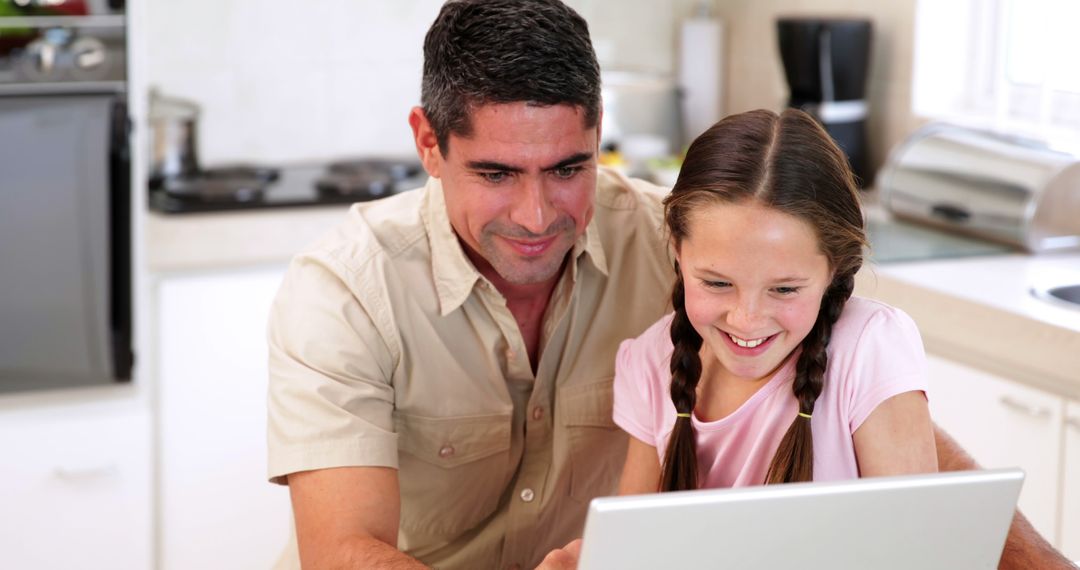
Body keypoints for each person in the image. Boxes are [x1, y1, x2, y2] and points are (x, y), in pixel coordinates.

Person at [267, 1, 1076, 569]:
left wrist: (1035, 560)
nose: (538, 213)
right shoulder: (347, 292)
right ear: (428, 143)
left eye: (569, 167)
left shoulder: (692, 250)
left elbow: (858, 382)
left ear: (598, 129)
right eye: (495, 173)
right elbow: (343, 553)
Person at [612, 108, 938, 498]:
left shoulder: (871, 348)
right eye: (717, 283)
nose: (747, 320)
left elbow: (916, 548)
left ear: (833, 270)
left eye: (784, 290)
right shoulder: (650, 361)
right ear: (678, 251)